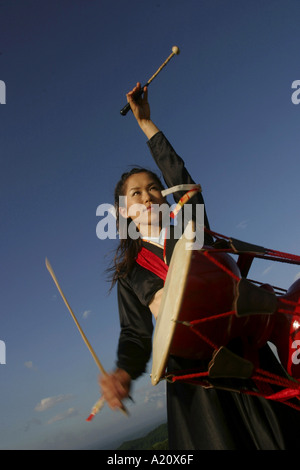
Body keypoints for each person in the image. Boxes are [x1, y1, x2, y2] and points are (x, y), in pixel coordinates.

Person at [99, 83, 299, 449]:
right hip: (195, 379)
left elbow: (184, 182)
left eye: (154, 187)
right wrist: (125, 372)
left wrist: (147, 124)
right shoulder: (131, 273)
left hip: (242, 351)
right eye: (136, 193)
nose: (147, 195)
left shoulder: (192, 230)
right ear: (123, 213)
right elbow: (136, 335)